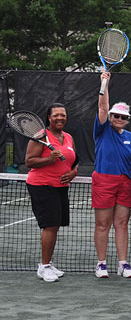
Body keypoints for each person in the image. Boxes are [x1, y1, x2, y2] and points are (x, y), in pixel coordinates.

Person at [92, 71, 131, 278]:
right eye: (116, 115)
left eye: (123, 117)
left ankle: (123, 263)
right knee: (103, 224)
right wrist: (105, 82)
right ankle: (101, 264)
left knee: (122, 223)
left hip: (126, 183)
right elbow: (102, 106)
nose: (119, 119)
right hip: (104, 180)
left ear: (127, 119)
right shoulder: (102, 130)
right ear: (110, 117)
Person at [25, 103, 78, 282]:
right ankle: (44, 266)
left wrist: (73, 172)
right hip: (42, 186)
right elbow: (29, 161)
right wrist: (49, 158)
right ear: (48, 117)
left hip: (61, 188)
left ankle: (47, 264)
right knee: (49, 226)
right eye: (56, 115)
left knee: (55, 226)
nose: (60, 118)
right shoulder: (40, 136)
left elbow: (74, 160)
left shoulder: (68, 137)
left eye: (62, 115)